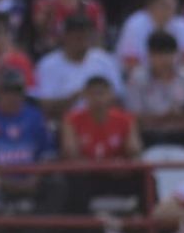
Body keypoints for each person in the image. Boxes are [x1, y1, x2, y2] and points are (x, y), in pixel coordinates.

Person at [0, 68, 64, 213]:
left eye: (17, 91)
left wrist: (35, 178)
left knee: (58, 184)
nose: (12, 96)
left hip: (33, 181)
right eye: (6, 91)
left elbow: (47, 153)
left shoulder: (35, 117)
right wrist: (0, 181)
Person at [61, 76, 143, 212]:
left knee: (145, 178)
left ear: (111, 95)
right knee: (72, 181)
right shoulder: (72, 120)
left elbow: (134, 152)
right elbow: (71, 155)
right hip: (88, 177)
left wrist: (125, 162)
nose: (97, 99)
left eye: (101, 93)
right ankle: (79, 230)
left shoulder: (125, 119)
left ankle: (150, 227)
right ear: (85, 95)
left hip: (117, 176)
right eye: (92, 94)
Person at [125, 30, 184, 149]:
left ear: (176, 55)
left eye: (168, 54)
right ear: (149, 55)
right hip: (149, 136)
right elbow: (133, 117)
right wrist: (165, 117)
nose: (164, 59)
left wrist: (177, 122)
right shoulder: (137, 79)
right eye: (159, 54)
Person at [34, 13, 123, 121]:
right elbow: (45, 107)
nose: (82, 38)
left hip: (102, 124)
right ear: (65, 36)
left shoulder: (105, 60)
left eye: (85, 33)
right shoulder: (48, 64)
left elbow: (118, 98)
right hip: (63, 124)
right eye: (76, 34)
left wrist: (96, 98)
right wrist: (76, 97)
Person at [115, 0, 184, 73]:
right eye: (165, 5)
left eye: (172, 5)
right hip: (138, 75)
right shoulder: (136, 24)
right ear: (151, 5)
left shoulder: (180, 25)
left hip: (171, 77)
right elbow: (130, 62)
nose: (170, 9)